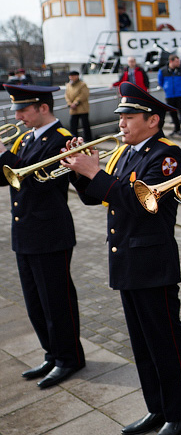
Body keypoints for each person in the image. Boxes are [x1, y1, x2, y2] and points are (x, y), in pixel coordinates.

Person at [63, 82, 181, 435]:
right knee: (142, 344)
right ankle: (157, 408)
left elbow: (143, 204)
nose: (120, 122)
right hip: (126, 262)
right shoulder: (126, 153)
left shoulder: (167, 154)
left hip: (153, 264)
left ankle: (180, 411)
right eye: (120, 116)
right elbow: (98, 198)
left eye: (128, 116)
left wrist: (96, 173)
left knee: (165, 342)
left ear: (152, 120)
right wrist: (80, 171)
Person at [0, 85, 85, 389]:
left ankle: (69, 358)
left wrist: (5, 155)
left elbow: (35, 181)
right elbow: (6, 178)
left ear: (42, 108)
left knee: (56, 300)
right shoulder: (25, 138)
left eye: (23, 110)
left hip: (50, 232)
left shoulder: (63, 141)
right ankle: (52, 353)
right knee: (35, 301)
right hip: (25, 231)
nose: (17, 116)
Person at [157, 54, 181, 136]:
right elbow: (160, 82)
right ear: (171, 61)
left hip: (180, 95)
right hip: (169, 95)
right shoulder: (163, 71)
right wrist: (166, 88)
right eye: (177, 61)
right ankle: (177, 128)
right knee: (173, 113)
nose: (178, 63)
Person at [65, 70, 92, 139]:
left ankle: (88, 138)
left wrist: (76, 103)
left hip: (82, 108)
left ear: (77, 76)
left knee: (85, 124)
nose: (71, 78)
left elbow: (84, 95)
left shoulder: (82, 84)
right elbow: (67, 95)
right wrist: (69, 103)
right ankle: (74, 139)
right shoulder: (68, 85)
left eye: (72, 76)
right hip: (73, 109)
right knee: (73, 125)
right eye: (70, 76)